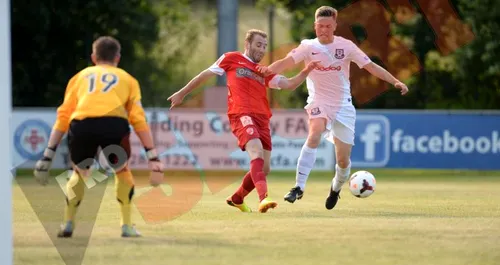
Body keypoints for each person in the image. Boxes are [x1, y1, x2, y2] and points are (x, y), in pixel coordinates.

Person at [257, 6, 408, 210]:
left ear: (335, 26)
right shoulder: (307, 46)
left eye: (328, 26)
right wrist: (265, 71)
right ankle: (298, 187)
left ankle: (336, 188)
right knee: (314, 134)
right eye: (320, 26)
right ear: (315, 26)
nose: (324, 30)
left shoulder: (346, 46)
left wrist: (395, 81)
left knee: (343, 161)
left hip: (343, 107)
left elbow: (371, 66)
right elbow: (286, 63)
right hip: (319, 101)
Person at [168, 29, 319, 213]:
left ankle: (237, 198)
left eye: (264, 46)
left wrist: (307, 69)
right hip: (241, 114)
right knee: (255, 152)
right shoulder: (232, 58)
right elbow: (204, 75)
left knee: (265, 167)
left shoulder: (263, 71)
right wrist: (182, 93)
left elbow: (289, 84)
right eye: (258, 45)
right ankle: (264, 198)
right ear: (247, 44)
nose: (262, 49)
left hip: (262, 118)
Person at [34, 36, 164, 238]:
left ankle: (68, 223)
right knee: (122, 171)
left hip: (82, 124)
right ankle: (127, 226)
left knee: (79, 172)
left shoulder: (79, 77)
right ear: (118, 58)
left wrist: (48, 154)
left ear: (94, 57)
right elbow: (138, 119)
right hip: (114, 125)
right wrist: (153, 157)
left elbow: (63, 116)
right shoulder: (128, 79)